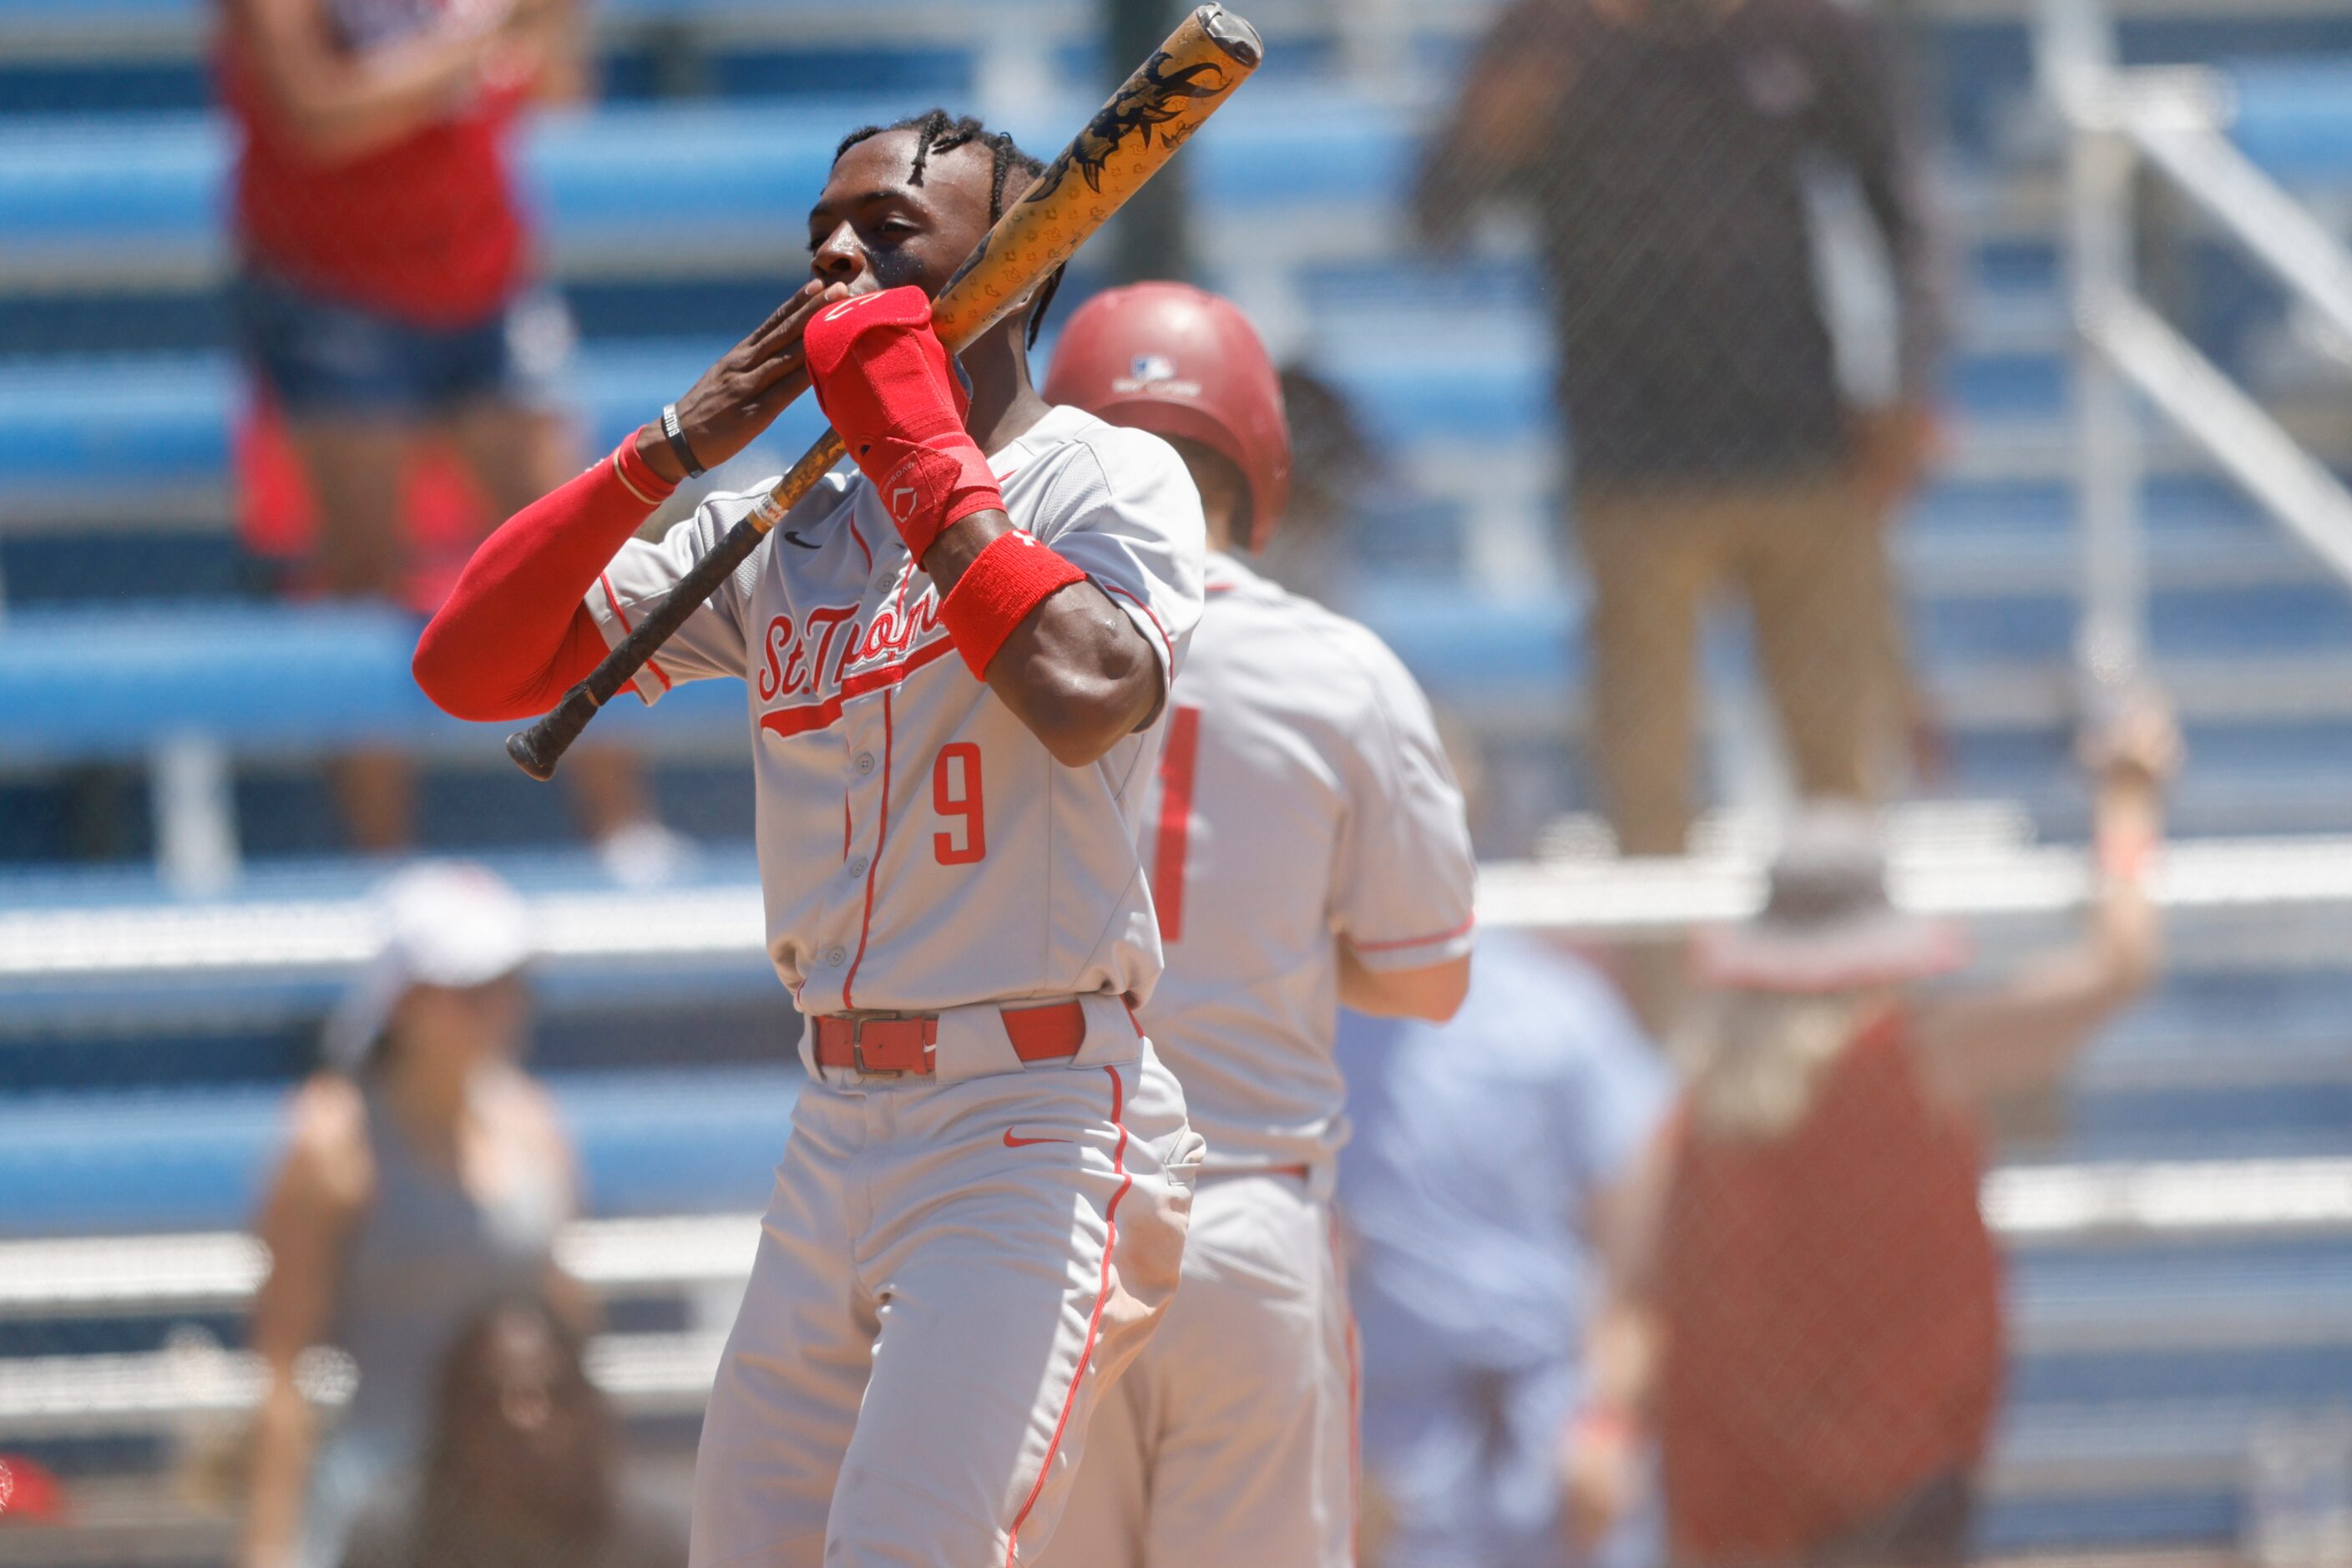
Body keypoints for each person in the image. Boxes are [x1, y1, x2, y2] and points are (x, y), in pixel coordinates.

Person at [412, 110, 1208, 1565]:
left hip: (1028, 1116)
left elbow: (1088, 691)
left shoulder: (1103, 474)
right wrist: (675, 443)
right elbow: (468, 665)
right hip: (836, 1121)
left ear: (1011, 274)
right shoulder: (793, 528)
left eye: (890, 232)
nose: (838, 252)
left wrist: (911, 434)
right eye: (820, 234)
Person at [1031, 283, 1479, 1568]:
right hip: (1243, 1208)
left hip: (1033, 1211)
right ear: (1255, 463)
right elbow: (1431, 976)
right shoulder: (1339, 669)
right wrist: (1273, 936)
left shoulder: (972, 658)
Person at [1640, 700, 2177, 1565]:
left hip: (1740, 1505)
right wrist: (2127, 803)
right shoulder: (1921, 1058)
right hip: (1902, 1487)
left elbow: (1640, 1284)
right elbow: (2123, 964)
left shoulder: (1701, 1103)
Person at [1415, 0, 1948, 858]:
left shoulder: (1804, 26)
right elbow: (1434, 214)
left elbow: (1911, 211)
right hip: (1633, 466)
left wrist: (1909, 379)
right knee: (1646, 788)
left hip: (1802, 452)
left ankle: (1849, 987)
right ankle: (1659, 995)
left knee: (1843, 772)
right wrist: (1485, 142)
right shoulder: (1549, 33)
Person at [219, 0, 678, 868]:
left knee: (577, 554)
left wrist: (547, 26)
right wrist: (475, 40)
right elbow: (315, 115)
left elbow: (559, 93)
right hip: (331, 289)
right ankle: (383, 867)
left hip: (483, 276)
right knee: (360, 584)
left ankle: (625, 835)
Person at [240, 863, 583, 1568]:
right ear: (401, 1002)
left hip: (515, 1504)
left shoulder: (535, 1126)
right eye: (468, 990)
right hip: (376, 1493)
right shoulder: (327, 1142)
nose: (497, 1008)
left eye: (507, 985)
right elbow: (283, 1369)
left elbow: (566, 1324)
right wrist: (270, 1546)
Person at [1337, 932, 1672, 1568]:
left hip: (1557, 1433)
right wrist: (1327, 1453)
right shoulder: (1297, 1019)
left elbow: (1638, 1249)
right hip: (1384, 1442)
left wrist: (1607, 1424)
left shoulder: (1549, 1007)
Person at [338, 1296, 686, 1568]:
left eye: (552, 1395)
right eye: (492, 1399)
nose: (525, 1420)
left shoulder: (644, 1542)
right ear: (455, 1418)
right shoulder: (393, 1540)